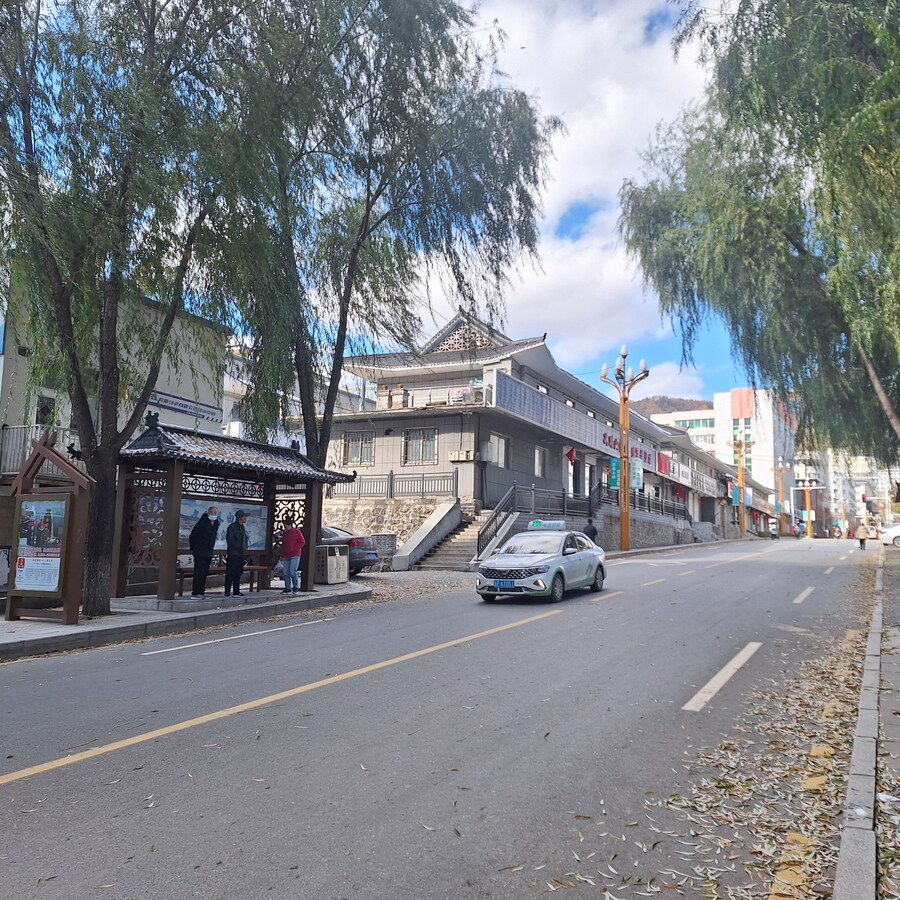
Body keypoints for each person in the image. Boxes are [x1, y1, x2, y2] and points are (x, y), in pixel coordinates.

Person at [189, 506, 220, 599]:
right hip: (199, 551)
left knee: (204, 572)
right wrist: (194, 548)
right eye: (212, 513)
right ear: (208, 513)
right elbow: (193, 536)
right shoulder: (202, 523)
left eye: (216, 513)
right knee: (199, 572)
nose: (214, 515)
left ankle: (201, 592)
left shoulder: (215, 524)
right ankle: (196, 592)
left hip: (208, 551)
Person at [225, 510, 250, 597]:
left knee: (238, 572)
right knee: (230, 573)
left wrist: (244, 547)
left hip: (240, 554)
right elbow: (230, 540)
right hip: (233, 554)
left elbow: (244, 539)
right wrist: (239, 546)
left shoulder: (242, 527)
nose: (246, 518)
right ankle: (227, 591)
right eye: (244, 517)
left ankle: (236, 591)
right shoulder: (232, 527)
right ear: (240, 518)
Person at [279, 518, 306, 594]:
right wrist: (282, 555)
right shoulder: (285, 533)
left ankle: (295, 587)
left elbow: (302, 542)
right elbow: (283, 545)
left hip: (295, 554)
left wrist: (295, 548)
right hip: (286, 555)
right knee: (286, 572)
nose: (285, 527)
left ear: (290, 525)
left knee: (292, 571)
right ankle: (287, 587)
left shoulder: (296, 532)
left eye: (286, 526)